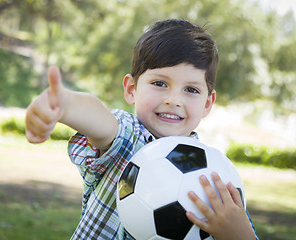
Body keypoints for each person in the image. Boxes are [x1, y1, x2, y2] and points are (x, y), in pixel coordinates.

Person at [25, 19, 258, 240]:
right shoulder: (127, 139)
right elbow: (100, 120)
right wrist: (66, 106)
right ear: (131, 89)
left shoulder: (214, 173)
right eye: (160, 83)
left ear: (208, 103)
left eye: (191, 90)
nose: (173, 100)